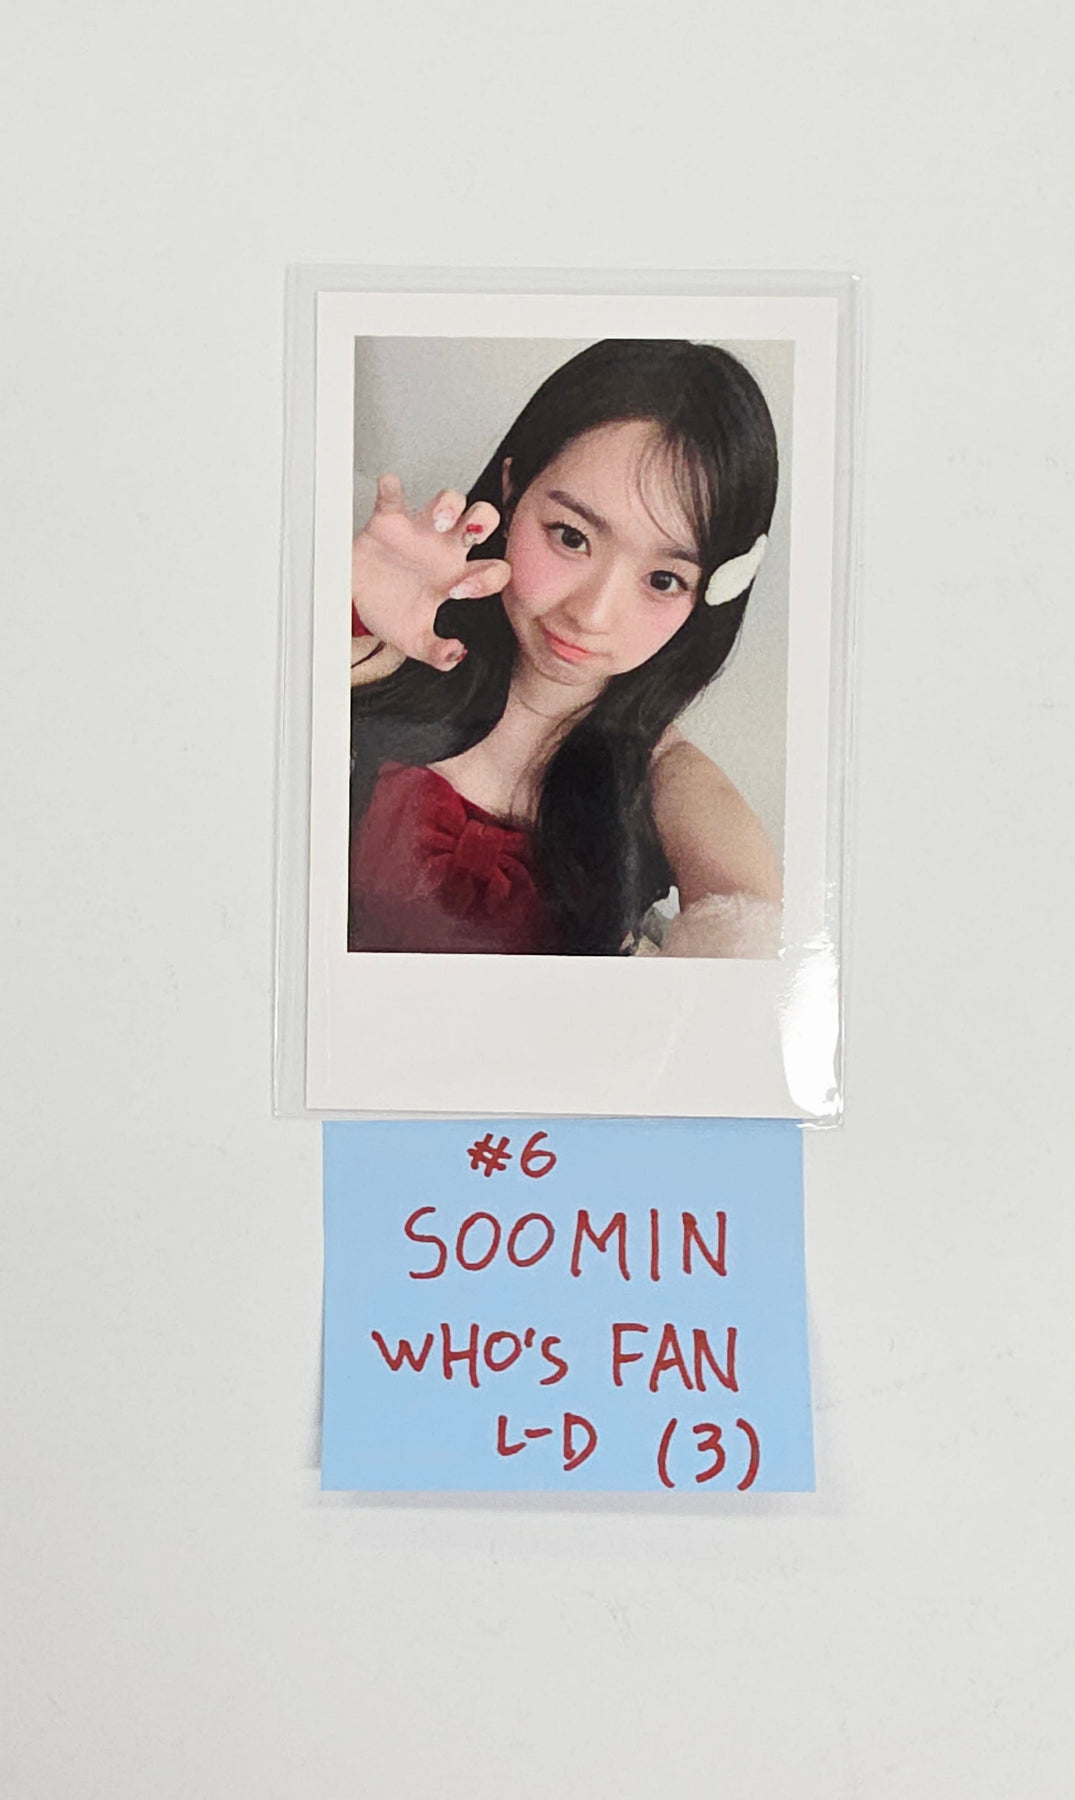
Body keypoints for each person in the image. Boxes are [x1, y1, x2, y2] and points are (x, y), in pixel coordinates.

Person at [347, 338, 782, 958]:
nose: (592, 614)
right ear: (512, 489)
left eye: (664, 580)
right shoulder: (381, 640)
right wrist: (326, 624)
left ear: (709, 594)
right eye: (571, 537)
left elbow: (752, 941)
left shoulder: (668, 782)